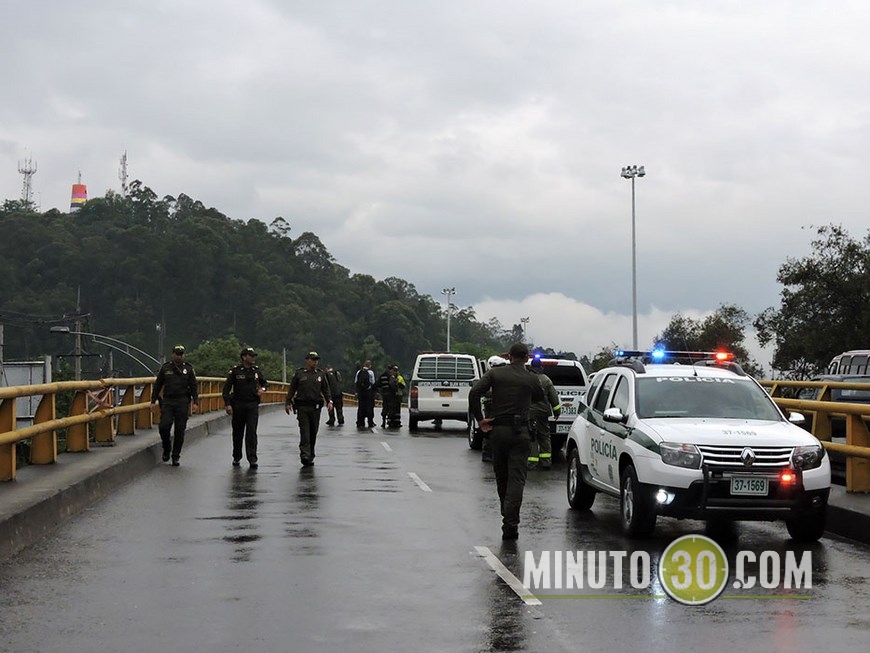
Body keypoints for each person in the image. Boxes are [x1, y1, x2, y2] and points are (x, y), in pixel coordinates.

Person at [469, 342, 544, 541]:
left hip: (498, 431)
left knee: (502, 477)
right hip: (521, 434)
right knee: (517, 479)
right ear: (526, 358)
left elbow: (474, 393)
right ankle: (511, 522)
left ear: (509, 357)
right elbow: (540, 397)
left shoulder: (495, 374)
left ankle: (507, 515)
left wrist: (480, 420)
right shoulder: (531, 378)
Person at [151, 345, 199, 466]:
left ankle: (176, 455)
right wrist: (153, 401)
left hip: (182, 401)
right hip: (168, 401)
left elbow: (194, 386)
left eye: (181, 354)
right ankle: (166, 447)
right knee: (164, 426)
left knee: (180, 429)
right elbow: (157, 385)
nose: (179, 356)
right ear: (172, 354)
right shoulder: (166, 368)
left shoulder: (188, 369)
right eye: (177, 354)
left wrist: (196, 402)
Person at [222, 346, 268, 468]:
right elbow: (226, 389)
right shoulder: (235, 371)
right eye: (251, 356)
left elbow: (264, 383)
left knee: (251, 432)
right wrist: (227, 404)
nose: (253, 358)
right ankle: (236, 456)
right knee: (238, 433)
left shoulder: (256, 371)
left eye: (254, 356)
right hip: (238, 405)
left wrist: (262, 389)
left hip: (252, 404)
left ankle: (252, 458)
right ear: (244, 357)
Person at [285, 351, 333, 467]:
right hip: (302, 407)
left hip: (315, 407)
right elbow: (292, 388)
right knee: (304, 431)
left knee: (313, 432)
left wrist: (329, 401)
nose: (315, 362)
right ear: (307, 360)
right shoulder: (299, 374)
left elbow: (325, 389)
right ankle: (304, 455)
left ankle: (311, 454)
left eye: (316, 360)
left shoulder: (320, 374)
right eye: (312, 359)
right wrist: (288, 402)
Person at [527, 357, 562, 470]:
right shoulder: (546, 380)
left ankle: (531, 463)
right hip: (543, 413)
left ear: (531, 367)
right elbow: (554, 398)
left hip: (529, 413)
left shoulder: (527, 378)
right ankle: (546, 461)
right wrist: (557, 412)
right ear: (541, 367)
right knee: (544, 436)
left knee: (531, 437)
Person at [479, 355, 509, 463]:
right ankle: (487, 454)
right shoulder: (489, 378)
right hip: (491, 407)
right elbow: (481, 391)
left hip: (501, 408)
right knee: (489, 431)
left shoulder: (503, 377)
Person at [355, 360, 376, 428]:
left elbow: (356, 382)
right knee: (369, 407)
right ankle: (370, 422)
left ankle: (360, 422)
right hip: (368, 392)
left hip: (361, 392)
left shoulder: (359, 372)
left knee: (361, 407)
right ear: (370, 365)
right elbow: (373, 382)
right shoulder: (370, 372)